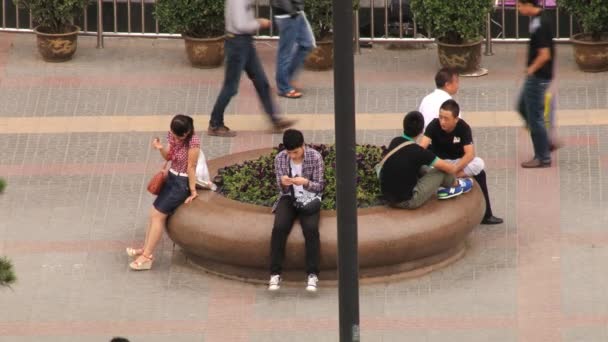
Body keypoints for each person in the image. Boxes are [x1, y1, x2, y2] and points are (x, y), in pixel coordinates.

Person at [208, 0, 295, 137]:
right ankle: (215, 124)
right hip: (237, 43)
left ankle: (275, 120)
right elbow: (240, 24)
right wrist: (259, 22)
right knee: (230, 87)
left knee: (262, 82)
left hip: (245, 43)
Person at [126, 114, 200, 270]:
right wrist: (160, 149)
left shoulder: (193, 142)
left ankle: (147, 257)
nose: (174, 138)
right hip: (171, 176)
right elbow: (169, 156)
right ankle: (145, 249)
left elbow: (191, 167)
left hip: (182, 182)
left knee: (158, 215)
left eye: (177, 135)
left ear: (186, 133)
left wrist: (192, 190)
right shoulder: (172, 135)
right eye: (172, 133)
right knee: (153, 213)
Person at [420, 100, 504, 225]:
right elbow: (422, 147)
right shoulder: (433, 125)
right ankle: (445, 177)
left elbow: (469, 154)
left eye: (446, 119)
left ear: (456, 119)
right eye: (440, 117)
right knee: (422, 165)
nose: (442, 121)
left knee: (479, 165)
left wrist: (454, 169)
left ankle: (486, 215)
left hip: (457, 164)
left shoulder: (463, 128)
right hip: (439, 163)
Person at [268, 129, 324, 292]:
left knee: (311, 229)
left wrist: (305, 182)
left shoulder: (315, 157)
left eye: (296, 152)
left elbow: (320, 186)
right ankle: (275, 273)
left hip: (310, 198)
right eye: (289, 152)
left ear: (303, 146)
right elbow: (280, 186)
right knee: (279, 228)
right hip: (288, 197)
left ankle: (312, 274)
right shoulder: (280, 158)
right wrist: (284, 183)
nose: (293, 156)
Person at [380, 110, 471, 209]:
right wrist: (454, 168)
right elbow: (449, 168)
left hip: (387, 196)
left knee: (422, 167)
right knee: (440, 171)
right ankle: (456, 184)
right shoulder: (418, 152)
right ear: (422, 130)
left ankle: (447, 184)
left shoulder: (395, 141)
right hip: (407, 201)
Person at [516, 0, 555, 168]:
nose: (518, 8)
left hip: (538, 77)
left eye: (519, 4)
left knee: (534, 117)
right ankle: (544, 141)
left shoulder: (540, 23)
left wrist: (531, 69)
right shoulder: (537, 19)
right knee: (522, 106)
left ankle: (542, 156)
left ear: (527, 4)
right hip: (538, 76)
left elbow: (545, 54)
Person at [272, 0, 315, 98]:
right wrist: (291, 10)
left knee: (306, 44)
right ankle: (284, 87)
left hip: (296, 12)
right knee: (285, 52)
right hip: (287, 14)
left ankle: (287, 79)